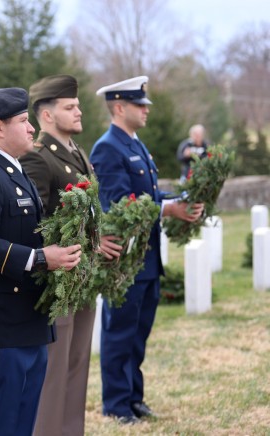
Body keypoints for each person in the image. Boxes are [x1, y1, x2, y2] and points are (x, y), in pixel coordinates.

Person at [0, 87, 83, 435]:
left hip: (27, 319)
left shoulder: (13, 171)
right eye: (24, 121)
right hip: (1, 322)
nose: (31, 129)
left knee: (23, 420)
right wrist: (41, 258)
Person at [90, 76, 204, 424]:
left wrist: (181, 201)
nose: (146, 110)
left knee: (138, 335)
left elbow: (149, 194)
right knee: (120, 333)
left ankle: (133, 397)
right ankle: (116, 405)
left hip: (147, 257)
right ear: (120, 107)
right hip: (125, 259)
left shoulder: (135, 144)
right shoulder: (108, 147)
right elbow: (120, 203)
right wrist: (169, 209)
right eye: (140, 105)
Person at [20, 74, 122, 436]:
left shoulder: (77, 153)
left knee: (77, 366)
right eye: (70, 107)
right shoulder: (38, 158)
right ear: (47, 115)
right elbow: (35, 223)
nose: (79, 111)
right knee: (54, 372)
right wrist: (87, 241)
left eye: (77, 105)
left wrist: (100, 234)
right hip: (57, 281)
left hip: (82, 278)